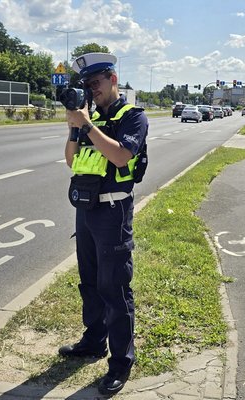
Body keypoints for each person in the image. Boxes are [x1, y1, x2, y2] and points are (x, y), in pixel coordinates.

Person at [59, 52, 148, 396]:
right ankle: (93, 341)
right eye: (86, 85)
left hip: (114, 213)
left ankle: (121, 361)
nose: (90, 90)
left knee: (115, 287)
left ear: (112, 79)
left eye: (95, 83)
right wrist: (74, 125)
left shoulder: (134, 117)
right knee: (90, 282)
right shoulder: (87, 119)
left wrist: (88, 126)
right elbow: (70, 160)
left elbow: (121, 156)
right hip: (87, 209)